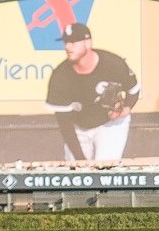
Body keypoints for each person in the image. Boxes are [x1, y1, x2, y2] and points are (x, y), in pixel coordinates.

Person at [45, 22, 140, 162]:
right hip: (78, 127)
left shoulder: (112, 63)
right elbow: (65, 124)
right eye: (66, 42)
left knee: (106, 170)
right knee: (76, 176)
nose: (67, 47)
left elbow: (134, 90)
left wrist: (126, 108)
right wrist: (80, 161)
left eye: (73, 42)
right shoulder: (60, 75)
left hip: (109, 124)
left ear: (88, 43)